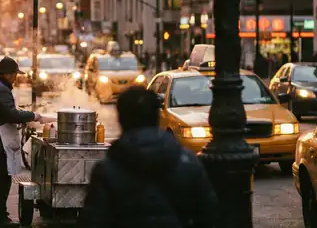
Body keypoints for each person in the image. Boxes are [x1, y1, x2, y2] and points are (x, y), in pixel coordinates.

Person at [80, 87, 218, 227]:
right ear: (157, 117)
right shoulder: (188, 163)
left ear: (121, 120)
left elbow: (94, 221)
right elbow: (208, 216)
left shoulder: (107, 171)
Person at [0, 57, 42, 227]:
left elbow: (5, 110)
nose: (15, 78)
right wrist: (33, 116)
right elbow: (10, 114)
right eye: (14, 74)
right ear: (7, 74)